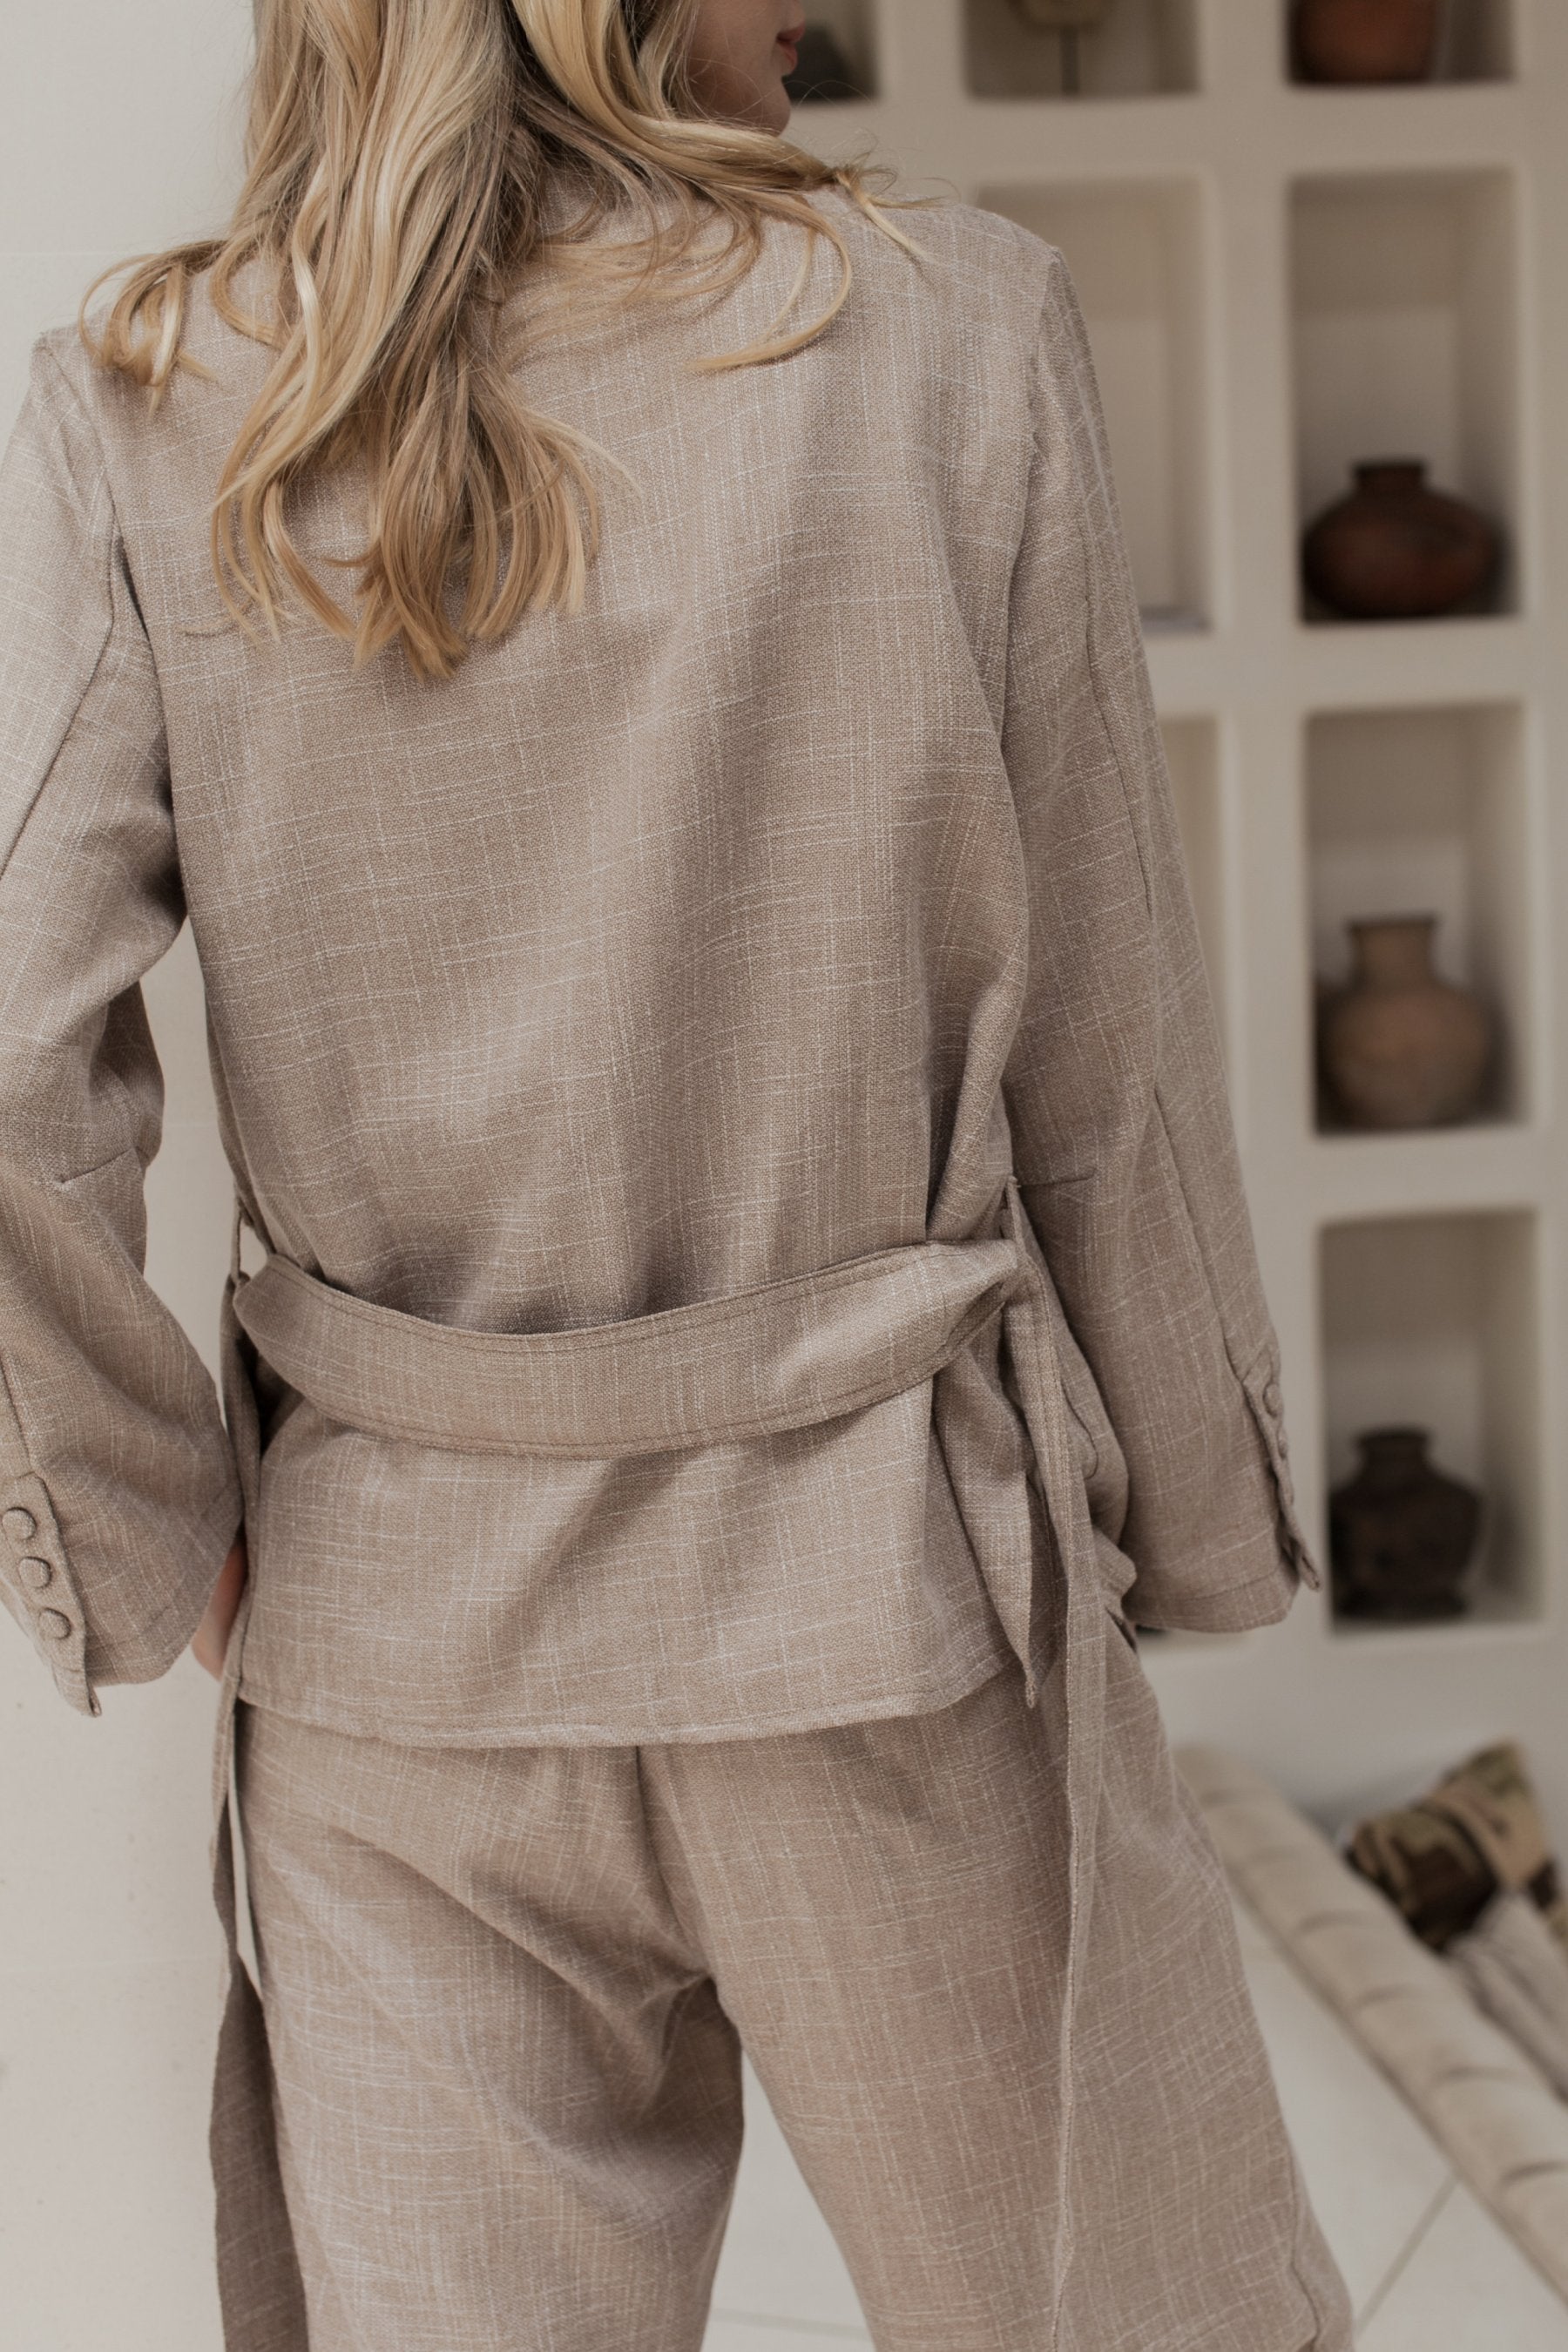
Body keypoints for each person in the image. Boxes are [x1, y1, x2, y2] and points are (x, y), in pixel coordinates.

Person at [0, 2, 1355, 2346]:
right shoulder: (943, 323)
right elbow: (1107, 1037)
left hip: (393, 1654)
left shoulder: (145, 393)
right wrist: (1203, 1534)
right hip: (887, 1599)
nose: (819, 10)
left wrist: (151, 1536)